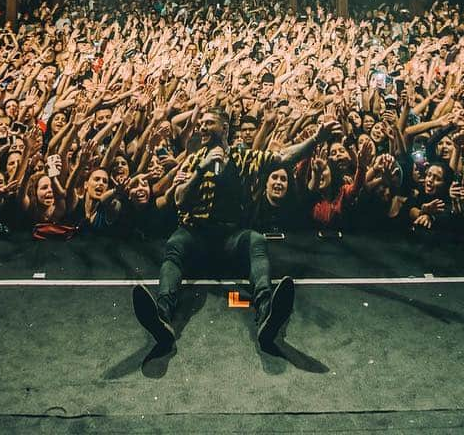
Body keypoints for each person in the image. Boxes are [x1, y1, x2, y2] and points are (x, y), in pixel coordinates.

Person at [130, 108, 342, 353]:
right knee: (174, 246)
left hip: (231, 238)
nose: (202, 127)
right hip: (196, 235)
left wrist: (316, 138)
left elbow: (283, 157)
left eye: (209, 123)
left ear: (225, 128)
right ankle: (162, 314)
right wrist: (201, 169)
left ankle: (266, 311)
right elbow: (179, 199)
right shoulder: (194, 159)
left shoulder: (244, 158)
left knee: (256, 241)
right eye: (201, 123)